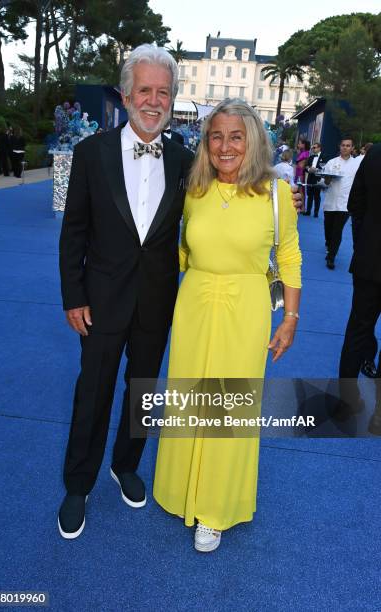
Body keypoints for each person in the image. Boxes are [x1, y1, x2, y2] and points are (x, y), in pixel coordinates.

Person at [58, 47, 303, 540]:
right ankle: (77, 486)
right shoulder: (91, 153)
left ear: (173, 99)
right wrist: (73, 296)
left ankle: (126, 465)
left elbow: (232, 201)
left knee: (143, 391)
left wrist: (281, 192)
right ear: (126, 95)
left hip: (161, 301)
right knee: (94, 390)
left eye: (163, 92)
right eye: (144, 90)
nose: (153, 100)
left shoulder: (187, 162)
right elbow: (74, 232)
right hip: (102, 299)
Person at [153, 99, 302, 552]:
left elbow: (290, 254)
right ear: (206, 142)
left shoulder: (276, 194)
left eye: (235, 136)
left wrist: (290, 317)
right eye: (216, 136)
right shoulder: (194, 190)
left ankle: (215, 509)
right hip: (195, 303)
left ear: (253, 139)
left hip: (246, 308)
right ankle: (180, 490)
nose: (225, 146)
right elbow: (179, 251)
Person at [338, 143, 381, 435]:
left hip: (369, 260)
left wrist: (365, 242)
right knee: (358, 331)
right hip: (369, 258)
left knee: (357, 329)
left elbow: (356, 203)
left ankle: (346, 401)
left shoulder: (375, 153)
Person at [323, 138, 360, 270]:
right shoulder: (331, 162)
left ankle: (331, 257)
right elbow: (325, 183)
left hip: (345, 204)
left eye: (348, 146)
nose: (345, 147)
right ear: (339, 147)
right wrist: (327, 178)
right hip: (330, 202)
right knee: (328, 230)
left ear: (352, 148)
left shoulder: (356, 164)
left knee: (337, 231)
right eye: (343, 145)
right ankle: (329, 245)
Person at [303, 142, 325, 217]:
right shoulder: (311, 157)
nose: (313, 149)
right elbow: (305, 166)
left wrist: (316, 170)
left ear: (319, 148)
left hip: (318, 178)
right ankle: (308, 211)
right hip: (310, 177)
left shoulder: (324, 156)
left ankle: (316, 212)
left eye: (315, 148)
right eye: (313, 148)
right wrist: (309, 169)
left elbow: (324, 168)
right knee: (309, 195)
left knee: (317, 196)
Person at [294, 137, 310, 204]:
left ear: (303, 145)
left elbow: (302, 164)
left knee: (301, 190)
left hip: (300, 173)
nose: (298, 145)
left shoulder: (306, 153)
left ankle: (303, 207)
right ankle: (299, 205)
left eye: (299, 144)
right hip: (298, 172)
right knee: (297, 189)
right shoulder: (302, 152)